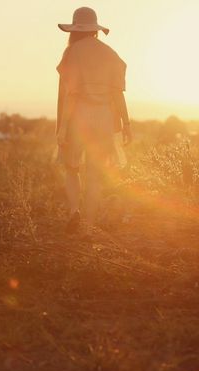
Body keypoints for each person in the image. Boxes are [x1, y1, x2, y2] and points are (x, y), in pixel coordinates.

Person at [55, 7, 132, 235]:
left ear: (75, 30)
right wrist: (126, 125)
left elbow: (72, 95)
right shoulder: (110, 53)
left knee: (71, 168)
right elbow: (118, 94)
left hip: (79, 119)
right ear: (95, 29)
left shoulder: (72, 53)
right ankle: (88, 228)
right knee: (95, 175)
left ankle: (74, 212)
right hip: (105, 119)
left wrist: (63, 128)